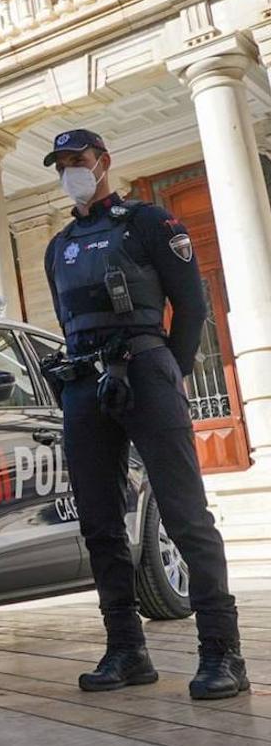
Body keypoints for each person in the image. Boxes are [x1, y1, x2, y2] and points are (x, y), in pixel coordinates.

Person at [42, 129, 246, 699]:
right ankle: (126, 650)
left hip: (146, 371)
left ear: (103, 162)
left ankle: (222, 653)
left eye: (78, 160)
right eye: (61, 164)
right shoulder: (58, 245)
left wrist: (169, 370)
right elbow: (67, 320)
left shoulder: (149, 222)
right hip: (85, 383)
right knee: (99, 523)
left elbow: (193, 304)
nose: (70, 171)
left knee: (184, 515)